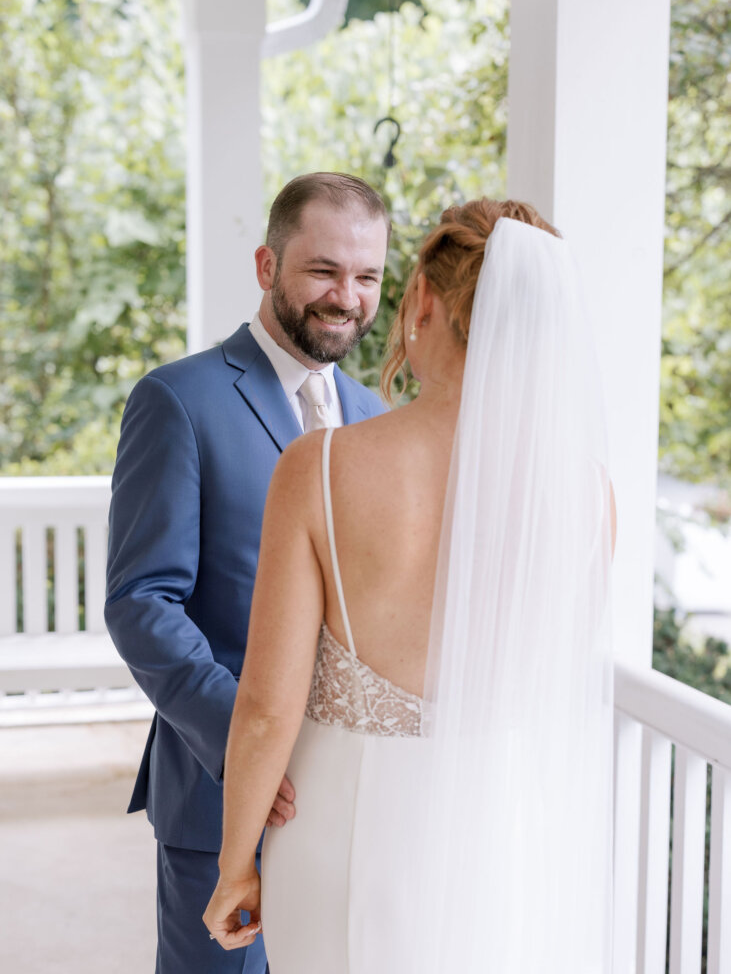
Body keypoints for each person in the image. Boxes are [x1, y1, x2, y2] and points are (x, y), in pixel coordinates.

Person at [203, 197, 617, 974]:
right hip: (502, 833)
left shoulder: (323, 467)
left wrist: (234, 865)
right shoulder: (587, 495)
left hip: (345, 828)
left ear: (423, 298)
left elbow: (265, 709)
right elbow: (548, 679)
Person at [105, 172, 390, 974]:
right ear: (267, 266)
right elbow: (141, 602)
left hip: (348, 791)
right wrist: (248, 738)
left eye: (366, 277)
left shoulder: (376, 417)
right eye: (323, 270)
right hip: (217, 782)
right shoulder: (177, 399)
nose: (346, 296)